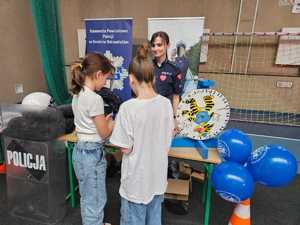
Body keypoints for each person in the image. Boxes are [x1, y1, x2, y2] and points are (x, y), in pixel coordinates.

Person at [109, 44, 174, 225]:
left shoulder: (128, 108)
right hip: (157, 179)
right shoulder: (166, 104)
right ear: (153, 78)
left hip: (136, 183)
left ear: (131, 79)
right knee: (154, 219)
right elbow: (168, 139)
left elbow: (125, 148)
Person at [70, 52, 115, 225]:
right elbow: (104, 133)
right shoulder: (95, 98)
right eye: (106, 78)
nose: (106, 83)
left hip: (79, 151)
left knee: (87, 196)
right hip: (92, 154)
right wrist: (112, 123)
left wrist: (103, 122)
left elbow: (86, 123)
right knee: (95, 200)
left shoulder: (77, 94)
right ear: (98, 75)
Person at [150, 31, 184, 114]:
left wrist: (175, 117)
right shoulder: (146, 67)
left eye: (159, 45)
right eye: (153, 45)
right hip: (148, 113)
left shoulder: (175, 69)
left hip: (166, 114)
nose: (155, 48)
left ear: (167, 45)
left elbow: (176, 96)